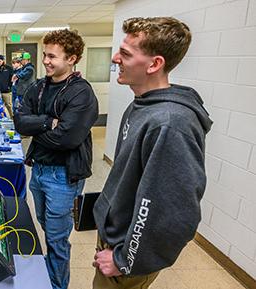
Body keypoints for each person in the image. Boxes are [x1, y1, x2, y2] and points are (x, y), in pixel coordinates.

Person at [92, 17, 212, 289]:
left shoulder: (170, 123)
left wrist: (125, 261)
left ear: (154, 64)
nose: (114, 58)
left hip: (126, 256)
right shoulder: (142, 106)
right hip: (114, 238)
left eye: (125, 53)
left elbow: (173, 213)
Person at [13, 29, 99, 289]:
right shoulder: (39, 86)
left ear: (72, 58)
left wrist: (35, 130)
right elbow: (19, 122)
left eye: (53, 56)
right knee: (47, 229)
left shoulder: (81, 93)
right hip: (38, 171)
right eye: (45, 55)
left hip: (63, 176)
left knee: (57, 240)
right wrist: (49, 122)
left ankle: (57, 286)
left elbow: (67, 139)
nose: (46, 61)